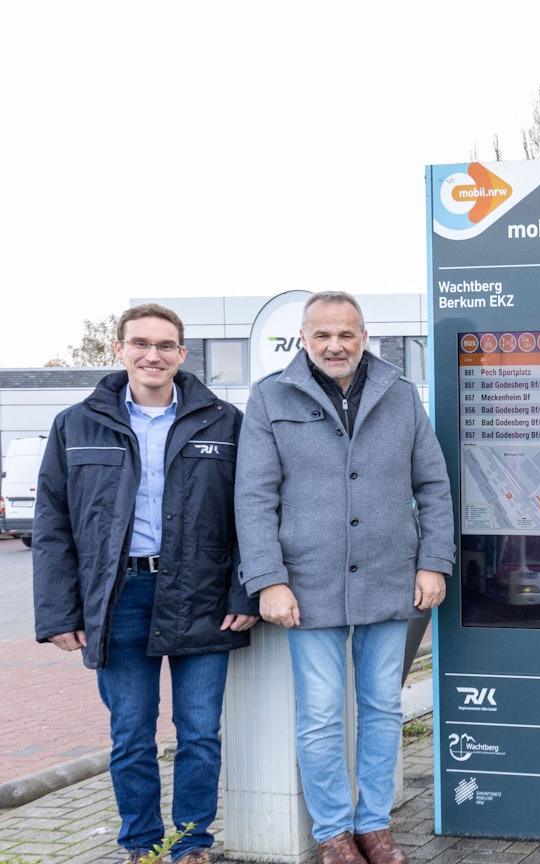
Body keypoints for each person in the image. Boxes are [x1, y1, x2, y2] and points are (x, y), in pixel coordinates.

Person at [32, 303, 257, 864]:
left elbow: (252, 514)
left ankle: (191, 844)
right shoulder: (76, 424)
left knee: (200, 732)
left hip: (202, 596)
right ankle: (141, 844)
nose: (152, 355)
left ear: (182, 354)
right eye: (140, 343)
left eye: (164, 345)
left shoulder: (225, 422)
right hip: (118, 597)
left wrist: (243, 591)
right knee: (131, 733)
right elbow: (52, 523)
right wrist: (59, 613)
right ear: (120, 350)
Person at [236, 291, 454, 864]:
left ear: (364, 337)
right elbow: (254, 498)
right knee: (321, 712)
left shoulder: (400, 394)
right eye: (323, 335)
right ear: (304, 339)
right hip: (306, 585)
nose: (336, 345)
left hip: (390, 578)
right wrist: (268, 579)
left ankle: (374, 826)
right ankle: (333, 832)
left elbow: (433, 485)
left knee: (383, 707)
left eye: (347, 334)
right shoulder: (270, 397)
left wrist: (434, 561)